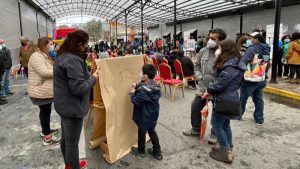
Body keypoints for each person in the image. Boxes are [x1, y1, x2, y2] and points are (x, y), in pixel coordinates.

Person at [54, 30, 99, 169]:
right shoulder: (72, 59)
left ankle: (69, 164)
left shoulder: (63, 55)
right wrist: (94, 78)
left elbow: (74, 79)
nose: (86, 47)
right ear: (80, 44)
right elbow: (78, 88)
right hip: (72, 108)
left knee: (66, 139)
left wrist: (87, 72)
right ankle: (73, 166)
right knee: (72, 143)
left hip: (64, 105)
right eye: (85, 45)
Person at [183, 28, 227, 145]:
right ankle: (196, 129)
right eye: (209, 38)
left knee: (218, 112)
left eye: (213, 39)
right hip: (203, 87)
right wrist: (199, 77)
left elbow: (228, 73)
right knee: (196, 106)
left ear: (221, 41)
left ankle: (215, 133)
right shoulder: (203, 50)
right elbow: (196, 65)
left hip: (218, 90)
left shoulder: (225, 54)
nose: (210, 40)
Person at [203, 38, 243, 164]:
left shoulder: (230, 65)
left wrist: (209, 90)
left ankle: (225, 152)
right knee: (225, 124)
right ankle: (228, 147)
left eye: (220, 47)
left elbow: (221, 83)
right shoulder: (233, 62)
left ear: (226, 50)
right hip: (227, 97)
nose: (218, 49)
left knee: (216, 124)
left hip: (224, 99)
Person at [27, 37, 60, 145]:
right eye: (50, 45)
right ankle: (47, 138)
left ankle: (45, 130)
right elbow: (43, 72)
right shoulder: (36, 56)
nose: (51, 47)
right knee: (45, 112)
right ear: (44, 45)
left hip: (44, 90)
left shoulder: (43, 55)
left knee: (46, 111)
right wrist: (60, 70)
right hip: (40, 90)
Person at [130, 64, 163, 161]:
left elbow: (135, 100)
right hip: (153, 114)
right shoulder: (156, 85)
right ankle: (157, 152)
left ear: (145, 76)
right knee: (152, 131)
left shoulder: (143, 91)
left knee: (142, 131)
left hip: (144, 115)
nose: (141, 74)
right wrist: (138, 85)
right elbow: (146, 85)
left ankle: (141, 151)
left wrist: (132, 91)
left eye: (142, 73)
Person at [239, 31, 270, 125]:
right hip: (261, 78)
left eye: (250, 38)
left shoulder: (252, 49)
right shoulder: (267, 48)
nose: (249, 40)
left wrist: (247, 71)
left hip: (250, 79)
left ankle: (238, 115)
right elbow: (266, 63)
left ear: (256, 39)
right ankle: (259, 119)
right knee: (258, 99)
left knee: (242, 99)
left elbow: (242, 62)